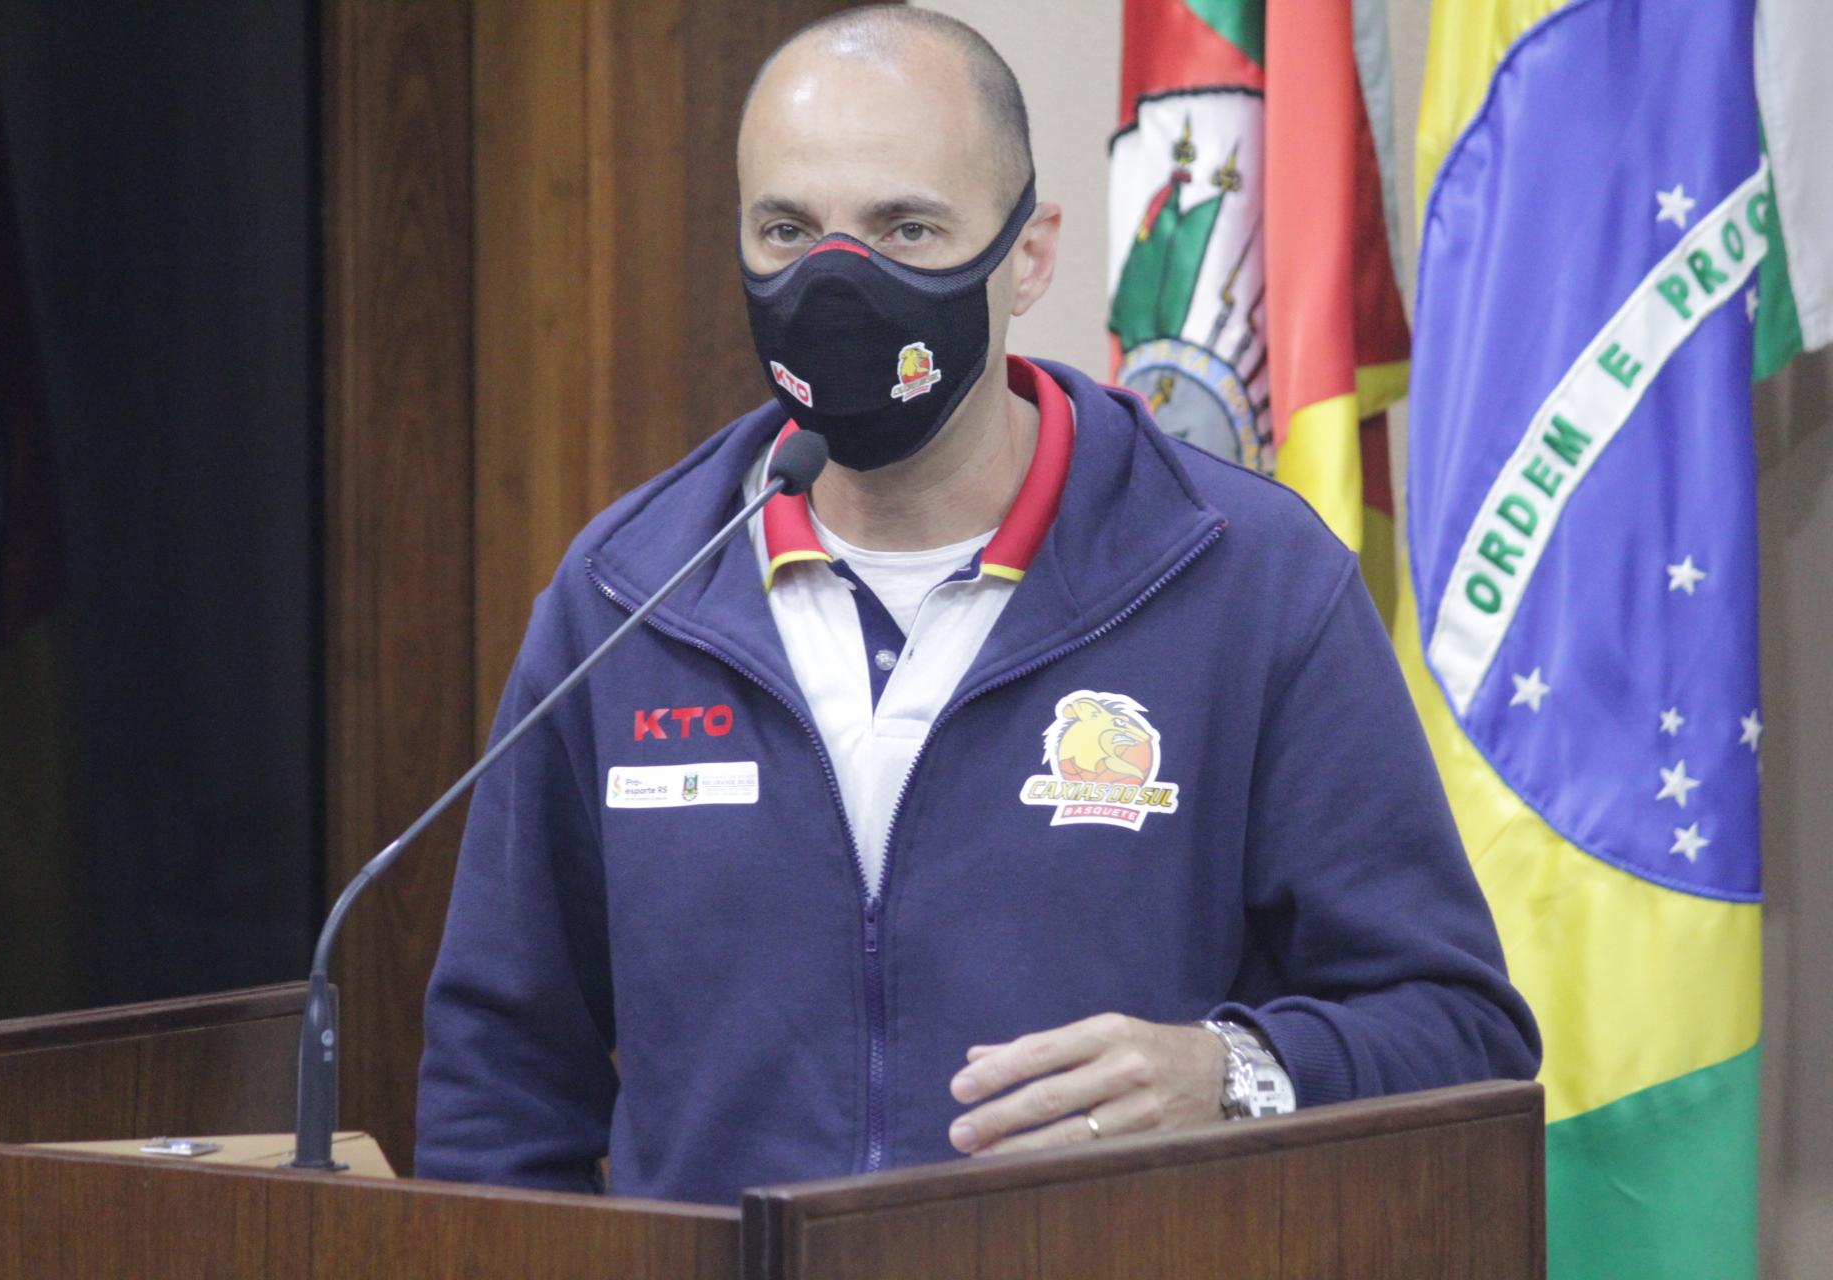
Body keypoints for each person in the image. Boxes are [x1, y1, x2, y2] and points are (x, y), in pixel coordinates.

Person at [415, 6, 1539, 1206]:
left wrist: (1229, 1071)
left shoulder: (1247, 581)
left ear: (1030, 255)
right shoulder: (624, 599)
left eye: (906, 228)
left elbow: (1461, 1032)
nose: (835, 282)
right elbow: (499, 1081)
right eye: (787, 230)